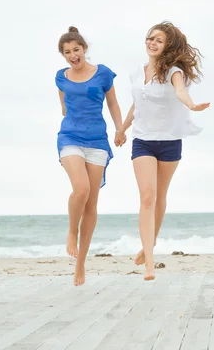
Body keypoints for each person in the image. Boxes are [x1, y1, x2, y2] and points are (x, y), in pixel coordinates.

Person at [116, 21, 210, 280]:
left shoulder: (174, 72)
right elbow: (137, 106)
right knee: (147, 197)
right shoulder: (137, 73)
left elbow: (180, 92)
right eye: (150, 38)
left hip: (169, 141)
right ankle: (149, 263)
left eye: (159, 40)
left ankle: (151, 241)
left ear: (167, 46)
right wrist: (122, 130)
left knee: (160, 197)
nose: (152, 43)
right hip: (142, 140)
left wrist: (191, 105)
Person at [55, 26, 124, 286]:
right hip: (70, 137)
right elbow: (64, 107)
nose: (73, 55)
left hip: (97, 141)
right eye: (67, 52)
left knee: (92, 204)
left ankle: (81, 263)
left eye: (76, 50)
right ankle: (71, 231)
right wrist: (72, 117)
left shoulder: (103, 73)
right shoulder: (60, 77)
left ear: (84, 49)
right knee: (80, 189)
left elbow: (113, 103)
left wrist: (119, 128)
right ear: (63, 56)